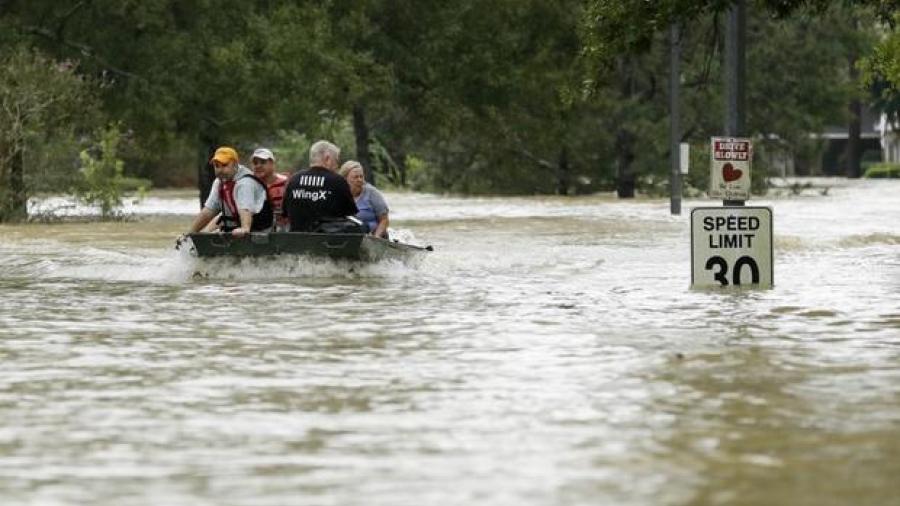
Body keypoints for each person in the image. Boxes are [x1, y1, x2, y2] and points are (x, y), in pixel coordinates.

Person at [186, 146, 273, 237]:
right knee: (199, 234)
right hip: (234, 226)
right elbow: (209, 210)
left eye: (224, 165)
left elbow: (245, 209)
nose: (220, 170)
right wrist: (190, 234)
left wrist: (245, 228)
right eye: (217, 166)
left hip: (259, 230)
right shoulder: (219, 182)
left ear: (235, 165)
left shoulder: (245, 183)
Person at [281, 140, 358, 232]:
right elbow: (350, 213)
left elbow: (285, 212)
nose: (337, 166)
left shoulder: (294, 180)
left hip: (297, 240)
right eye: (336, 160)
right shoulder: (338, 181)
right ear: (327, 158)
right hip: (328, 243)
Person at [339, 160, 390, 238]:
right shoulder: (338, 194)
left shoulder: (372, 193)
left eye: (361, 176)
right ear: (345, 179)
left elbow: (384, 220)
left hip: (372, 237)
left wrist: (376, 238)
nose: (359, 180)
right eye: (356, 177)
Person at [250, 147, 289, 231]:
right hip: (258, 230)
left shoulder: (286, 183)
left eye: (263, 162)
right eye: (255, 163)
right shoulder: (249, 185)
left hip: (284, 229)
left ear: (272, 163)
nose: (258, 166)